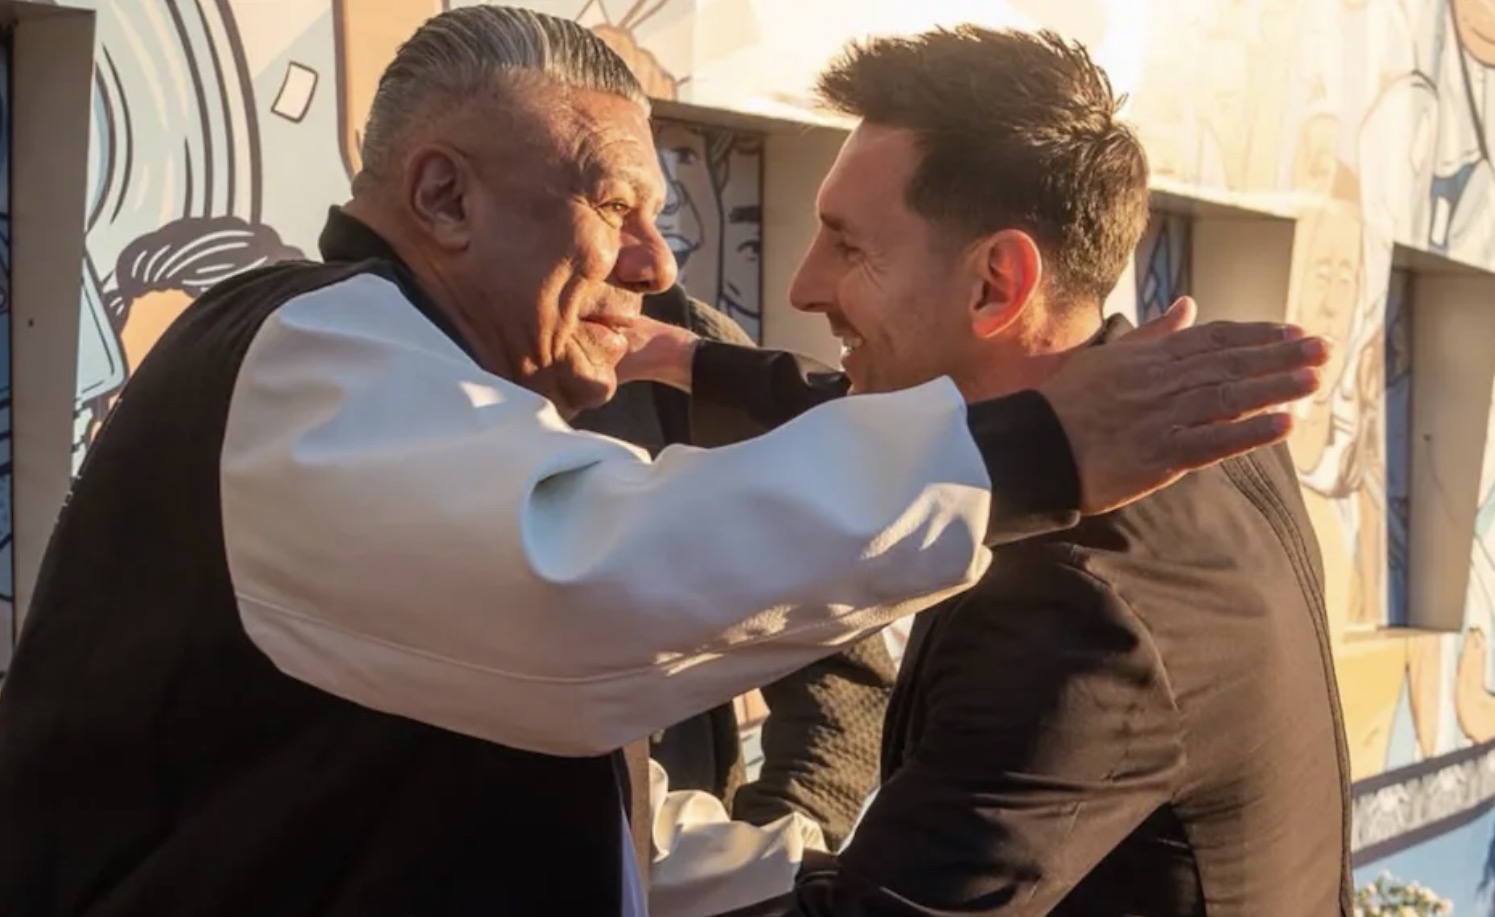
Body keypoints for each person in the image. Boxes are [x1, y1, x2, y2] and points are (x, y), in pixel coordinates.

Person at [0, 8, 1329, 917]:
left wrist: (772, 868)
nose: (656, 265)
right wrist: (1030, 451)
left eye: (666, 217)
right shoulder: (308, 347)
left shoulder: (421, 386)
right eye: (617, 205)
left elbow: (532, 776)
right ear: (443, 197)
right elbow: (585, 586)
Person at [626, 27, 1350, 916]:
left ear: (994, 284)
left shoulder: (1072, 605)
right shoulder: (1194, 422)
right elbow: (897, 427)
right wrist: (687, 359)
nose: (802, 286)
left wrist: (622, 834)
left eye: (846, 246)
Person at [574, 288, 896, 849]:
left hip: (665, 868)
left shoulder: (675, 343)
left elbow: (839, 668)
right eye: (614, 210)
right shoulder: (401, 362)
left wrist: (765, 857)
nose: (654, 263)